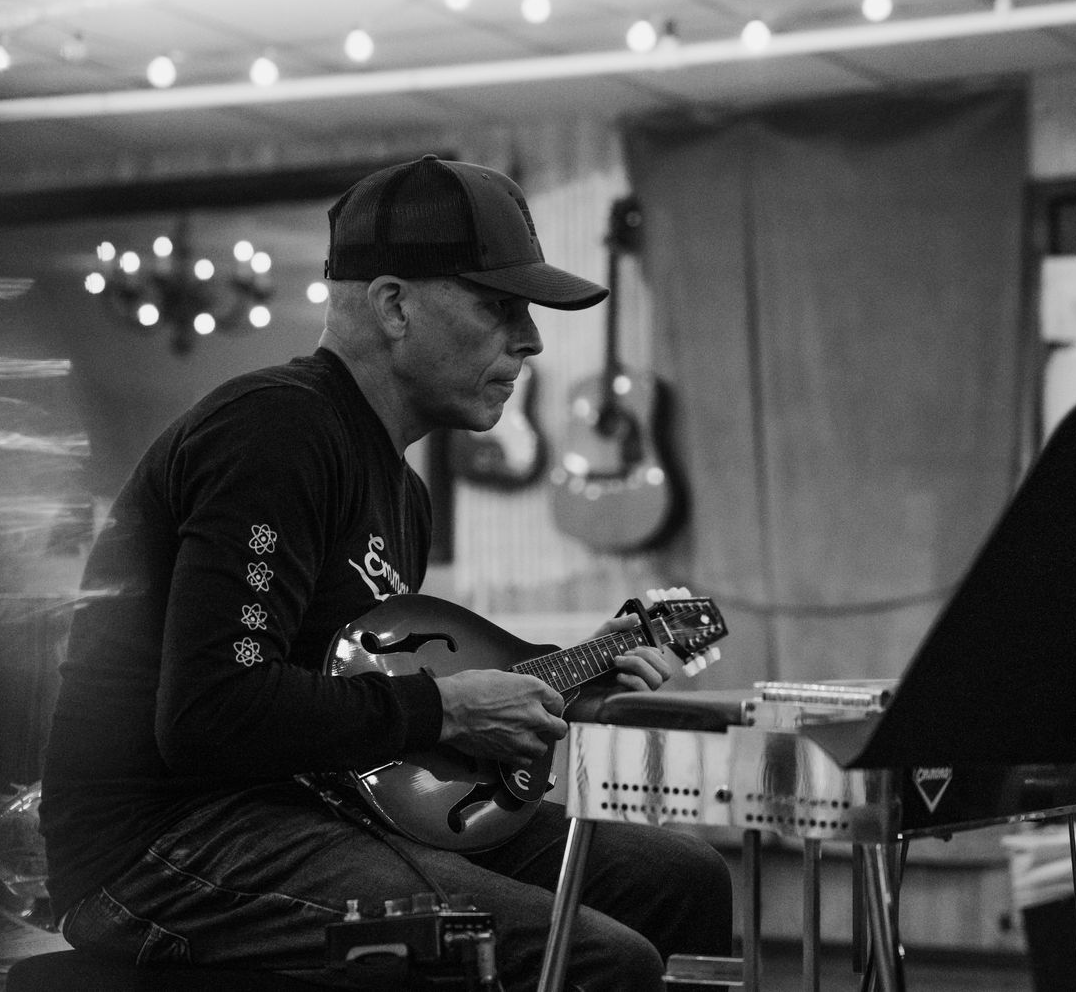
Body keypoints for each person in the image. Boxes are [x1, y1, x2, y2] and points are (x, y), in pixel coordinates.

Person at [40, 155, 733, 990]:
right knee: (599, 959)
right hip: (164, 842)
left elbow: (358, 701)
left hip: (318, 810)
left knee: (684, 880)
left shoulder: (403, 493)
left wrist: (552, 684)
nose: (531, 339)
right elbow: (210, 712)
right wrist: (448, 707)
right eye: (499, 306)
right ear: (395, 305)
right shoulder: (275, 432)